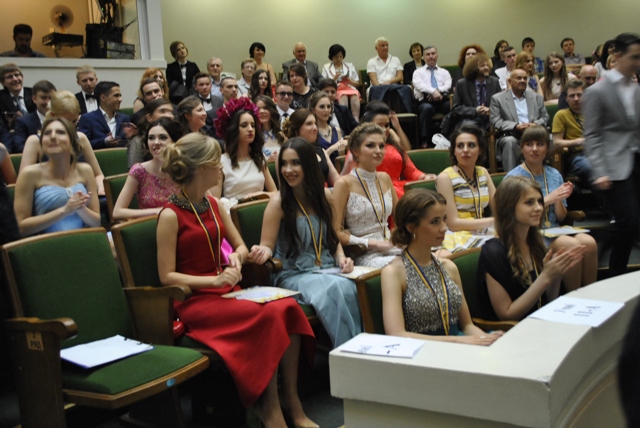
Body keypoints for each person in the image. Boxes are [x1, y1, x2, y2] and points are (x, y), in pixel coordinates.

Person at [157, 133, 317, 428]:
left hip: (227, 290)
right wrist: (214, 282)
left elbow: (240, 246)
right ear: (200, 167)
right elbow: (166, 276)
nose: (221, 166)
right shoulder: (170, 214)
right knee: (267, 316)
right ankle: (269, 409)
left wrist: (236, 258)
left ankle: (291, 399)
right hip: (195, 300)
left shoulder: (213, 203)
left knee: (287, 308)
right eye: (215, 161)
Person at [249, 137, 361, 348]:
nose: (288, 170)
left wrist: (341, 258)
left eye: (295, 163)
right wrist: (261, 251)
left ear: (308, 165)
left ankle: (361, 349)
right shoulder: (278, 203)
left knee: (356, 286)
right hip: (293, 274)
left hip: (327, 269)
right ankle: (348, 353)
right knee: (336, 287)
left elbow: (333, 238)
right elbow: (267, 245)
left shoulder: (325, 197)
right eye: (284, 163)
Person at [381, 188, 502, 344]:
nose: (444, 228)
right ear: (411, 227)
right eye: (435, 222)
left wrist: (488, 340)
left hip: (460, 343)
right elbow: (396, 334)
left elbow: (467, 326)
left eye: (444, 219)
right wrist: (458, 341)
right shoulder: (393, 273)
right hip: (423, 351)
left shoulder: (449, 267)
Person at [477, 176, 585, 321]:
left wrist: (556, 275)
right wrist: (545, 277)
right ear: (509, 207)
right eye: (529, 202)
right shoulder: (493, 252)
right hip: (513, 330)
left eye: (539, 201)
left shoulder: (535, 244)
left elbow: (548, 301)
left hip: (540, 323)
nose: (539, 208)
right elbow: (507, 315)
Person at [506, 125, 597, 291]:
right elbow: (512, 214)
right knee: (571, 245)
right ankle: (573, 297)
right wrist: (549, 199)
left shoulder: (554, 174)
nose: (534, 149)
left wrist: (559, 199)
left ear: (547, 149)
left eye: (540, 144)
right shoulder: (514, 177)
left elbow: (561, 217)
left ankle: (590, 295)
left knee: (589, 243)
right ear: (522, 148)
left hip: (553, 229)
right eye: (529, 144)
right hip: (529, 233)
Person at [583, 33, 640, 278]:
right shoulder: (597, 91)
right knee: (628, 220)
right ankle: (614, 268)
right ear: (617, 56)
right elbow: (592, 134)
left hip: (636, 159)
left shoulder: (635, 88)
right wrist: (600, 170)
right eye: (634, 57)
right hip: (613, 165)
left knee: (632, 222)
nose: (638, 62)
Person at [14, 117, 101, 236]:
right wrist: (65, 210)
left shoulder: (85, 170)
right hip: (46, 243)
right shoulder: (29, 174)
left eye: (60, 132)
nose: (53, 136)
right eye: (47, 133)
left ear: (72, 141)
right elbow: (21, 228)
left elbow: (96, 222)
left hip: (82, 239)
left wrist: (81, 209)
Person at [332, 123, 401, 268]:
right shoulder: (343, 183)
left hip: (391, 246)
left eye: (381, 146)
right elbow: (336, 232)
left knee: (435, 257)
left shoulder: (385, 178)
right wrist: (375, 244)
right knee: (404, 265)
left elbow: (401, 218)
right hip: (364, 253)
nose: (378, 151)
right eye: (371, 146)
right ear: (355, 151)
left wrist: (398, 237)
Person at [20, 90, 106, 195]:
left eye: (74, 121)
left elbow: (98, 174)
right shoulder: (35, 141)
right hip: (49, 195)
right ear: (53, 115)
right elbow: (24, 183)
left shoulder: (81, 138)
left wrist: (100, 187)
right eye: (66, 121)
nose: (71, 126)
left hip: (82, 195)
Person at [341, 103, 432, 198]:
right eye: (379, 125)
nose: (384, 129)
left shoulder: (395, 146)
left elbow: (411, 170)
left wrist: (423, 177)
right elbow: (353, 179)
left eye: (387, 125)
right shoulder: (359, 150)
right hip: (372, 192)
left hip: (400, 188)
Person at [436, 125, 496, 254]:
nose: (465, 150)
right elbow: (453, 223)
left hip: (484, 230)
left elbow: (499, 206)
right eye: (460, 146)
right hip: (457, 234)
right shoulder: (445, 177)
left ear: (480, 150)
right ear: (454, 151)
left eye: (471, 145)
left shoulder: (483, 172)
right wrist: (494, 221)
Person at [113, 119, 181, 220]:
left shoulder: (184, 169)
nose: (156, 142)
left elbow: (204, 202)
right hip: (150, 225)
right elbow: (117, 212)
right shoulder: (139, 170)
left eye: (163, 137)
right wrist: (159, 211)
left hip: (181, 224)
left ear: (174, 141)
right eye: (151, 138)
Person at [211, 97, 277, 201]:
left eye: (253, 125)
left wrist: (260, 194)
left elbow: (275, 193)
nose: (250, 129)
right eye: (244, 125)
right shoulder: (221, 162)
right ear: (233, 129)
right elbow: (215, 201)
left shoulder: (259, 158)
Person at [489, 69, 548, 172]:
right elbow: (495, 120)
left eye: (525, 78)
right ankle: (512, 177)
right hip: (512, 135)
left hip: (534, 134)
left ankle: (544, 175)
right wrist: (515, 126)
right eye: (519, 78)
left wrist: (535, 124)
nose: (522, 81)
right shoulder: (498, 99)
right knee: (509, 142)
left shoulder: (536, 97)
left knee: (549, 140)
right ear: (509, 81)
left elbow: (545, 117)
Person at [282, 109, 340, 187]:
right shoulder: (285, 154)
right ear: (296, 130)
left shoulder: (321, 151)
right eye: (309, 124)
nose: (315, 128)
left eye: (315, 123)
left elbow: (336, 180)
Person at [552, 80, 593, 184]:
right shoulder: (561, 115)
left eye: (579, 95)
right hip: (577, 155)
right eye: (572, 96)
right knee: (591, 168)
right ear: (566, 99)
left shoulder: (594, 112)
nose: (576, 99)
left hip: (597, 152)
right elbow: (556, 143)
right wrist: (579, 141)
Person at [413, 46, 452, 147]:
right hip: (425, 100)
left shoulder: (444, 72)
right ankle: (424, 141)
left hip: (442, 99)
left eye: (433, 54)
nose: (431, 56)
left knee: (451, 106)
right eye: (428, 54)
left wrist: (438, 91)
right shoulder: (418, 72)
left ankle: (448, 137)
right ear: (423, 57)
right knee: (426, 108)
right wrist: (432, 91)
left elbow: (448, 85)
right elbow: (419, 85)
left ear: (437, 55)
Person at [451, 54, 501, 132]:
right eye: (482, 66)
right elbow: (456, 108)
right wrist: (475, 110)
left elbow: (501, 104)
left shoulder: (494, 81)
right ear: (473, 68)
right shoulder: (462, 84)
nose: (486, 68)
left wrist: (490, 110)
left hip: (490, 118)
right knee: (469, 127)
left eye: (487, 65)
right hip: (470, 119)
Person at [77, 81, 130, 149]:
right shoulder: (87, 119)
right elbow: (82, 143)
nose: (120, 99)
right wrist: (104, 141)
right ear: (103, 98)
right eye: (116, 96)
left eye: (120, 96)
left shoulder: (125, 118)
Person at [127, 98, 176, 167]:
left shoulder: (179, 136)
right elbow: (135, 170)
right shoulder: (138, 141)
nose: (169, 115)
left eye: (171, 112)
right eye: (162, 111)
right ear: (149, 117)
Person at [367, 37, 412, 112]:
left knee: (407, 88)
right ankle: (376, 112)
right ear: (376, 48)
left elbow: (400, 77)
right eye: (382, 45)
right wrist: (382, 87)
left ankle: (407, 112)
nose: (385, 47)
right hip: (378, 86)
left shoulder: (395, 59)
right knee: (374, 90)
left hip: (394, 85)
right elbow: (373, 80)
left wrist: (389, 82)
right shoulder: (371, 61)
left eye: (387, 45)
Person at [12, 80, 56, 153]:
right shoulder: (23, 122)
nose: (48, 102)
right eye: (44, 98)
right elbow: (19, 146)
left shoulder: (63, 119)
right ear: (34, 99)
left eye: (51, 98)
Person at [321, 44, 360, 121]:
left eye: (341, 56)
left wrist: (349, 81)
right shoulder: (326, 67)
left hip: (349, 88)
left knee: (355, 97)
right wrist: (333, 79)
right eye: (336, 57)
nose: (339, 59)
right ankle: (344, 120)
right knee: (343, 96)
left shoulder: (350, 66)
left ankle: (356, 120)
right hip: (336, 88)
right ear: (331, 57)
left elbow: (357, 83)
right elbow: (323, 84)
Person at [309, 91, 347, 164]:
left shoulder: (336, 130)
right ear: (313, 110)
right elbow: (314, 160)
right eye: (322, 107)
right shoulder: (312, 131)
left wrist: (342, 149)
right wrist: (332, 148)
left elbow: (341, 158)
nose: (326, 110)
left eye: (328, 107)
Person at [0, 63, 35, 131]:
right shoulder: (1, 98)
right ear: (3, 82)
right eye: (10, 77)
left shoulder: (34, 93)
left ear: (22, 77)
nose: (15, 79)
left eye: (16, 75)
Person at [255, 95, 284, 162]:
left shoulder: (282, 136)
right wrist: (268, 162)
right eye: (258, 109)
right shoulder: (252, 137)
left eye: (265, 108)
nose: (261, 111)